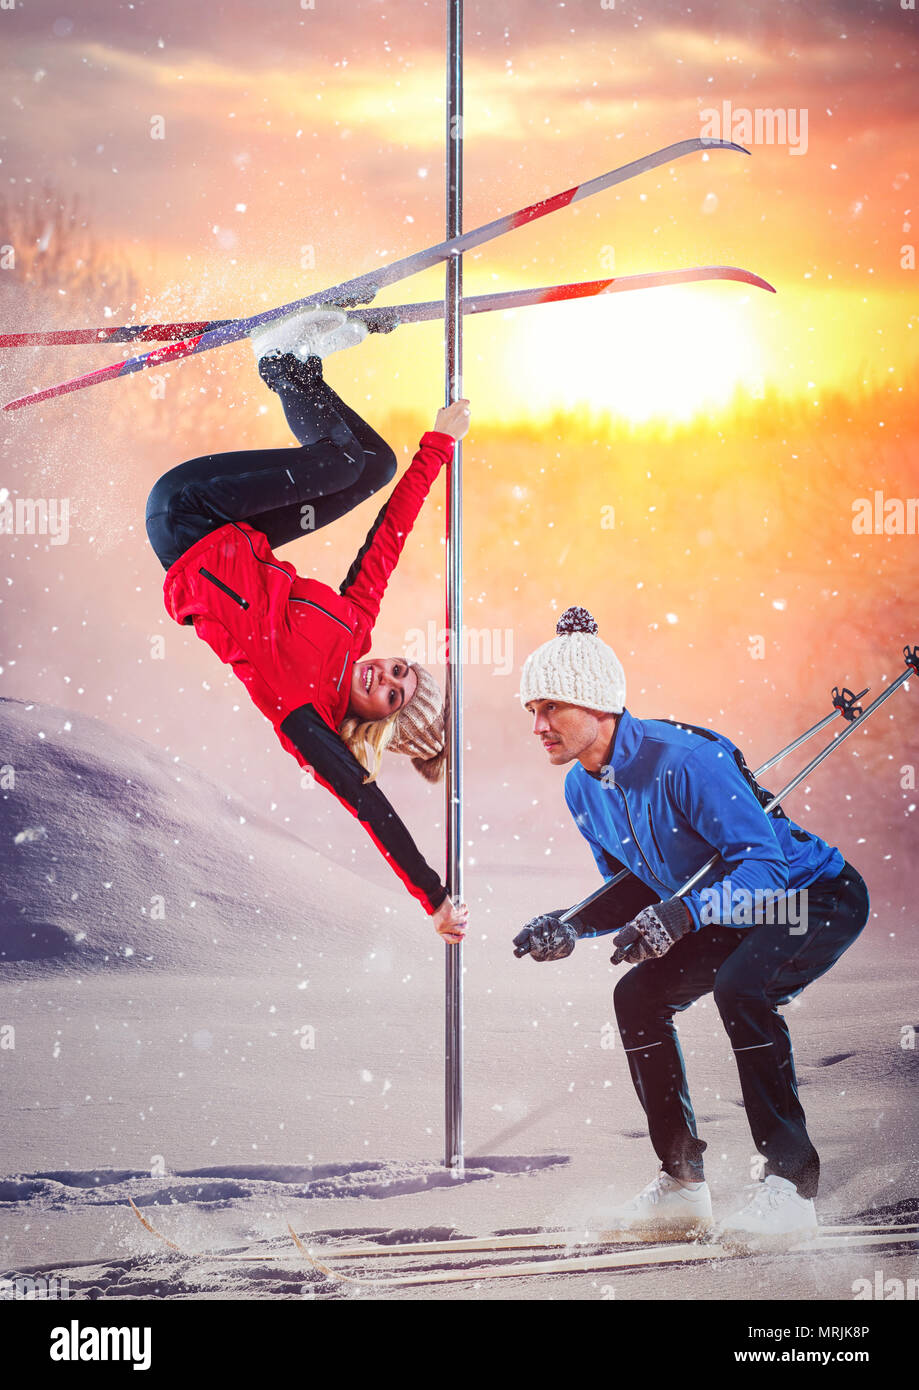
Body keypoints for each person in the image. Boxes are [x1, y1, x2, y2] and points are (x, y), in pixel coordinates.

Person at [514, 605, 870, 1248]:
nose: (536, 726)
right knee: (639, 995)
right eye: (531, 711)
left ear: (598, 706)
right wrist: (572, 925)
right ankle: (682, 1186)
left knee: (743, 988)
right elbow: (644, 885)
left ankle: (791, 1188)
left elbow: (762, 866)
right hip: (728, 903)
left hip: (811, 894)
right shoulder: (581, 788)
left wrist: (684, 914)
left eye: (549, 709)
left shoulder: (686, 759)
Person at [144, 305, 469, 943]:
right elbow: (390, 537)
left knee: (341, 464)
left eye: (392, 695)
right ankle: (299, 366)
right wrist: (439, 445)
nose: (386, 674)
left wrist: (432, 896)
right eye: (402, 669)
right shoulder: (355, 625)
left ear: (376, 721)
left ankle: (279, 363)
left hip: (186, 520)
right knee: (373, 466)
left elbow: (365, 801)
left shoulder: (304, 714)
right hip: (232, 529)